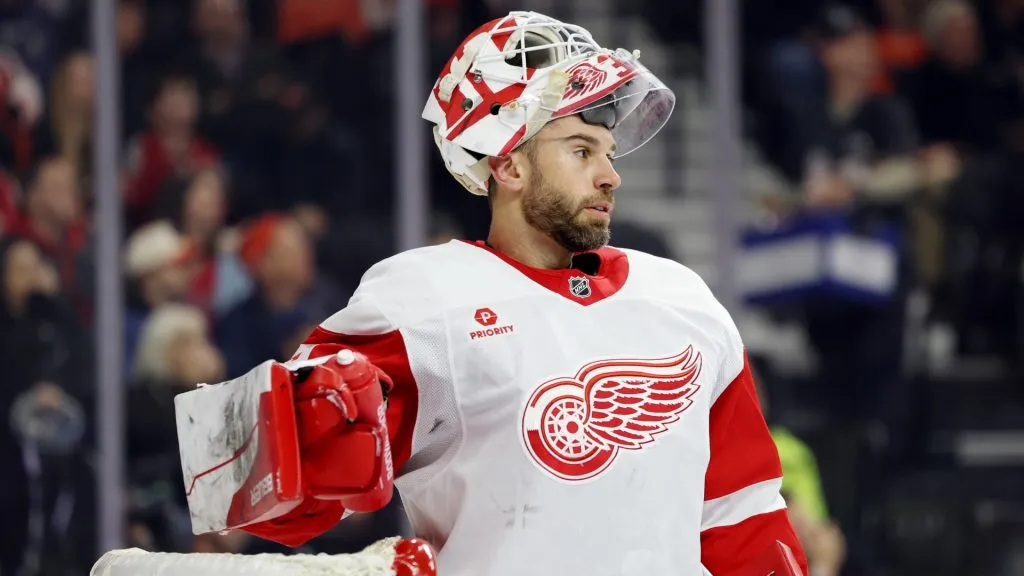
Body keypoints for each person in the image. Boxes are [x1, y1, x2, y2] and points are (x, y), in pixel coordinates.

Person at [177, 11, 807, 576]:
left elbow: (740, 513)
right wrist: (289, 445)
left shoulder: (682, 299)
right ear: (507, 166)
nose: (610, 175)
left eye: (609, 152)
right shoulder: (423, 305)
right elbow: (259, 496)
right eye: (581, 149)